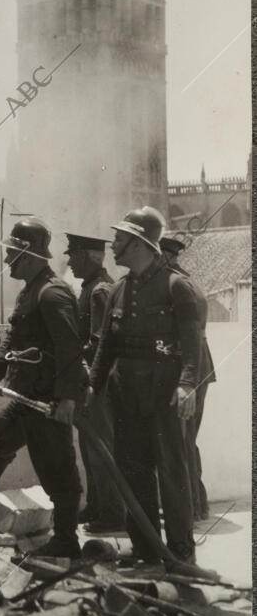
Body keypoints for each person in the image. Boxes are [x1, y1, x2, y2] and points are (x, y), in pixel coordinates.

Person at [0, 218, 86, 558]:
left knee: (58, 472)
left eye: (11, 255)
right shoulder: (30, 292)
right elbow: (12, 342)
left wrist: (66, 399)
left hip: (47, 402)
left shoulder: (52, 293)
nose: (6, 262)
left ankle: (67, 541)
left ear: (29, 254)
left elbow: (70, 350)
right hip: (24, 398)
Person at [90, 208, 201, 563]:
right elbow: (107, 344)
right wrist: (93, 385)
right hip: (126, 396)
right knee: (132, 470)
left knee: (171, 471)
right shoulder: (120, 288)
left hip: (163, 394)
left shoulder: (176, 286)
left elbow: (192, 344)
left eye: (119, 239)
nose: (113, 245)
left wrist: (186, 385)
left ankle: (181, 552)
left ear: (138, 243)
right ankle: (147, 549)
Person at [64, 232, 125, 534]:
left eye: (73, 255)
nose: (69, 261)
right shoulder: (91, 287)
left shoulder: (100, 290)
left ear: (89, 257)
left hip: (99, 383)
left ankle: (113, 514)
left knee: (101, 447)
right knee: (90, 447)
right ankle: (98, 507)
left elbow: (102, 342)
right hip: (92, 380)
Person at [160, 235, 216, 520]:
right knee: (185, 438)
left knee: (182, 439)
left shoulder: (177, 286)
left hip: (188, 366)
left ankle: (192, 507)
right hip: (198, 366)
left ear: (166, 255)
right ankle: (197, 504)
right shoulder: (188, 281)